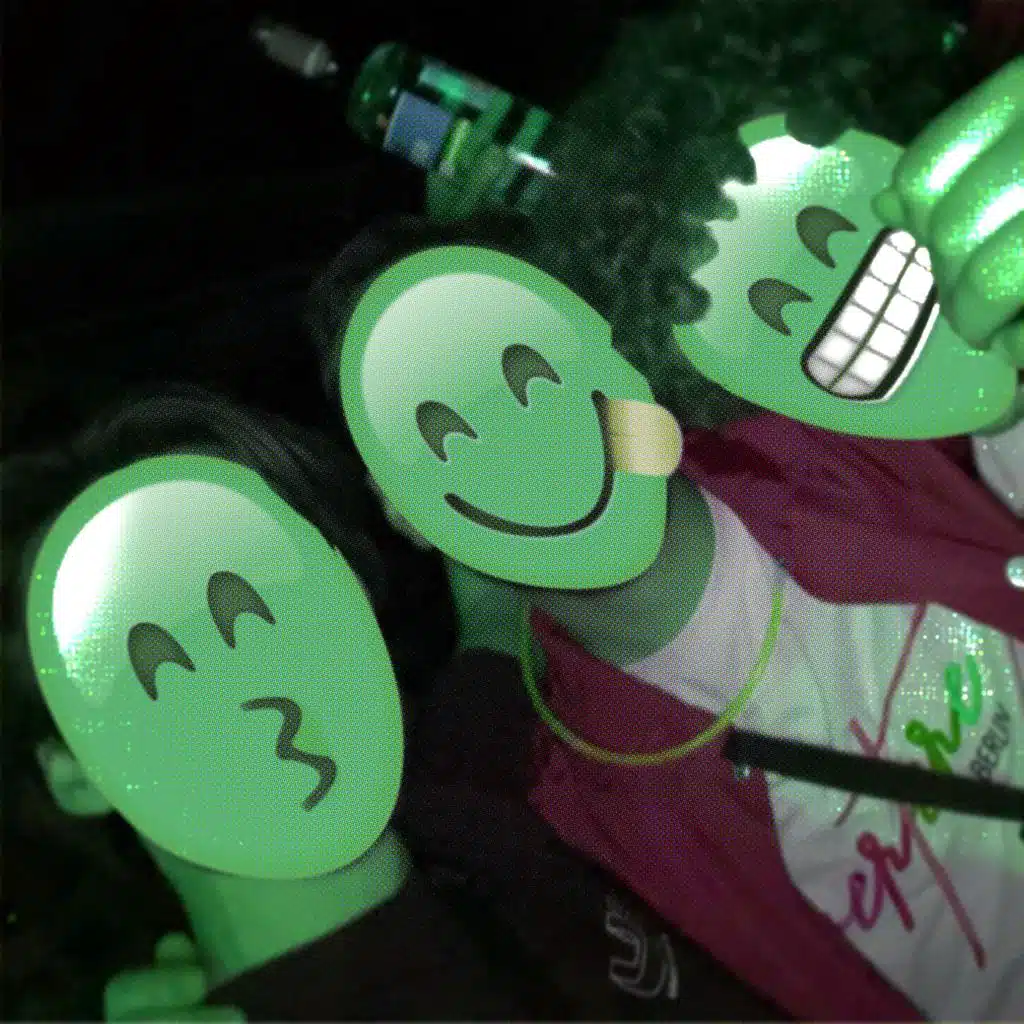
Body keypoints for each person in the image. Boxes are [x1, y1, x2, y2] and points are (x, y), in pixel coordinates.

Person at [306, 3, 1024, 1018]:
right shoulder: (591, 835)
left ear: (608, 339)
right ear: (412, 512)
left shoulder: (845, 425)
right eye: (443, 424)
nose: (523, 424)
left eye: (526, 359)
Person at [4, 384, 790, 1022]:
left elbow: (493, 614)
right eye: (158, 659)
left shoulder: (457, 799)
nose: (259, 674)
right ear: (73, 768)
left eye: (272, 582)